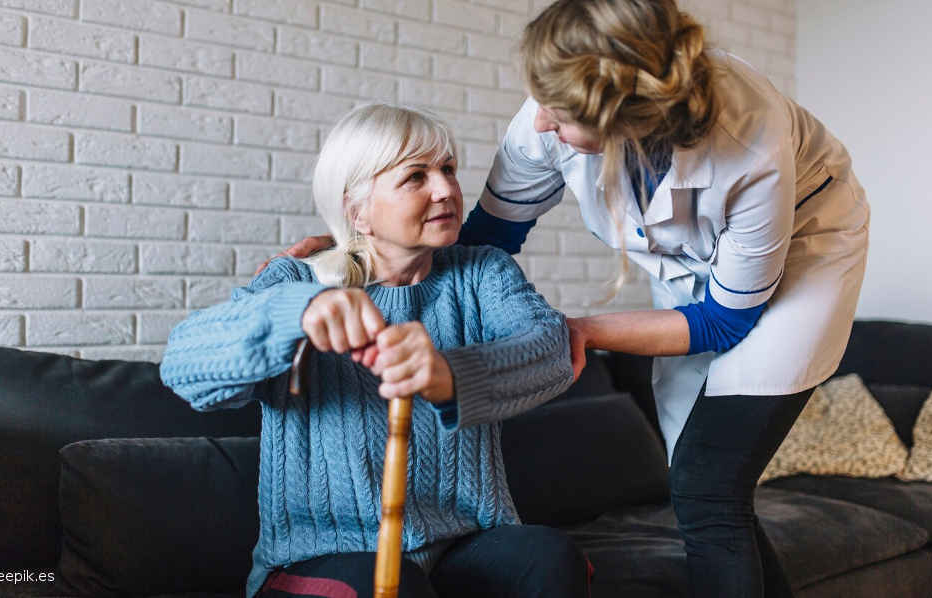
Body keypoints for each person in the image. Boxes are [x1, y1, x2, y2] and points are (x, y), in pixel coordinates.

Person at [271, 1, 870, 597]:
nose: (538, 123)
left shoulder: (750, 145)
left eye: (558, 116)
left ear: (623, 120)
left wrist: (583, 330)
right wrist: (359, 247)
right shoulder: (549, 111)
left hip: (805, 247)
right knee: (708, 485)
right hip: (700, 270)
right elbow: (489, 238)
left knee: (707, 482)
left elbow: (722, 320)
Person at [161, 104, 592, 598]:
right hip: (321, 556)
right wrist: (292, 316)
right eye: (416, 177)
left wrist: (449, 375)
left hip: (462, 546)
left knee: (546, 558)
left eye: (448, 169)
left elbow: (553, 349)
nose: (447, 189)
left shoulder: (482, 273)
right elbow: (183, 366)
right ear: (357, 211)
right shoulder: (298, 280)